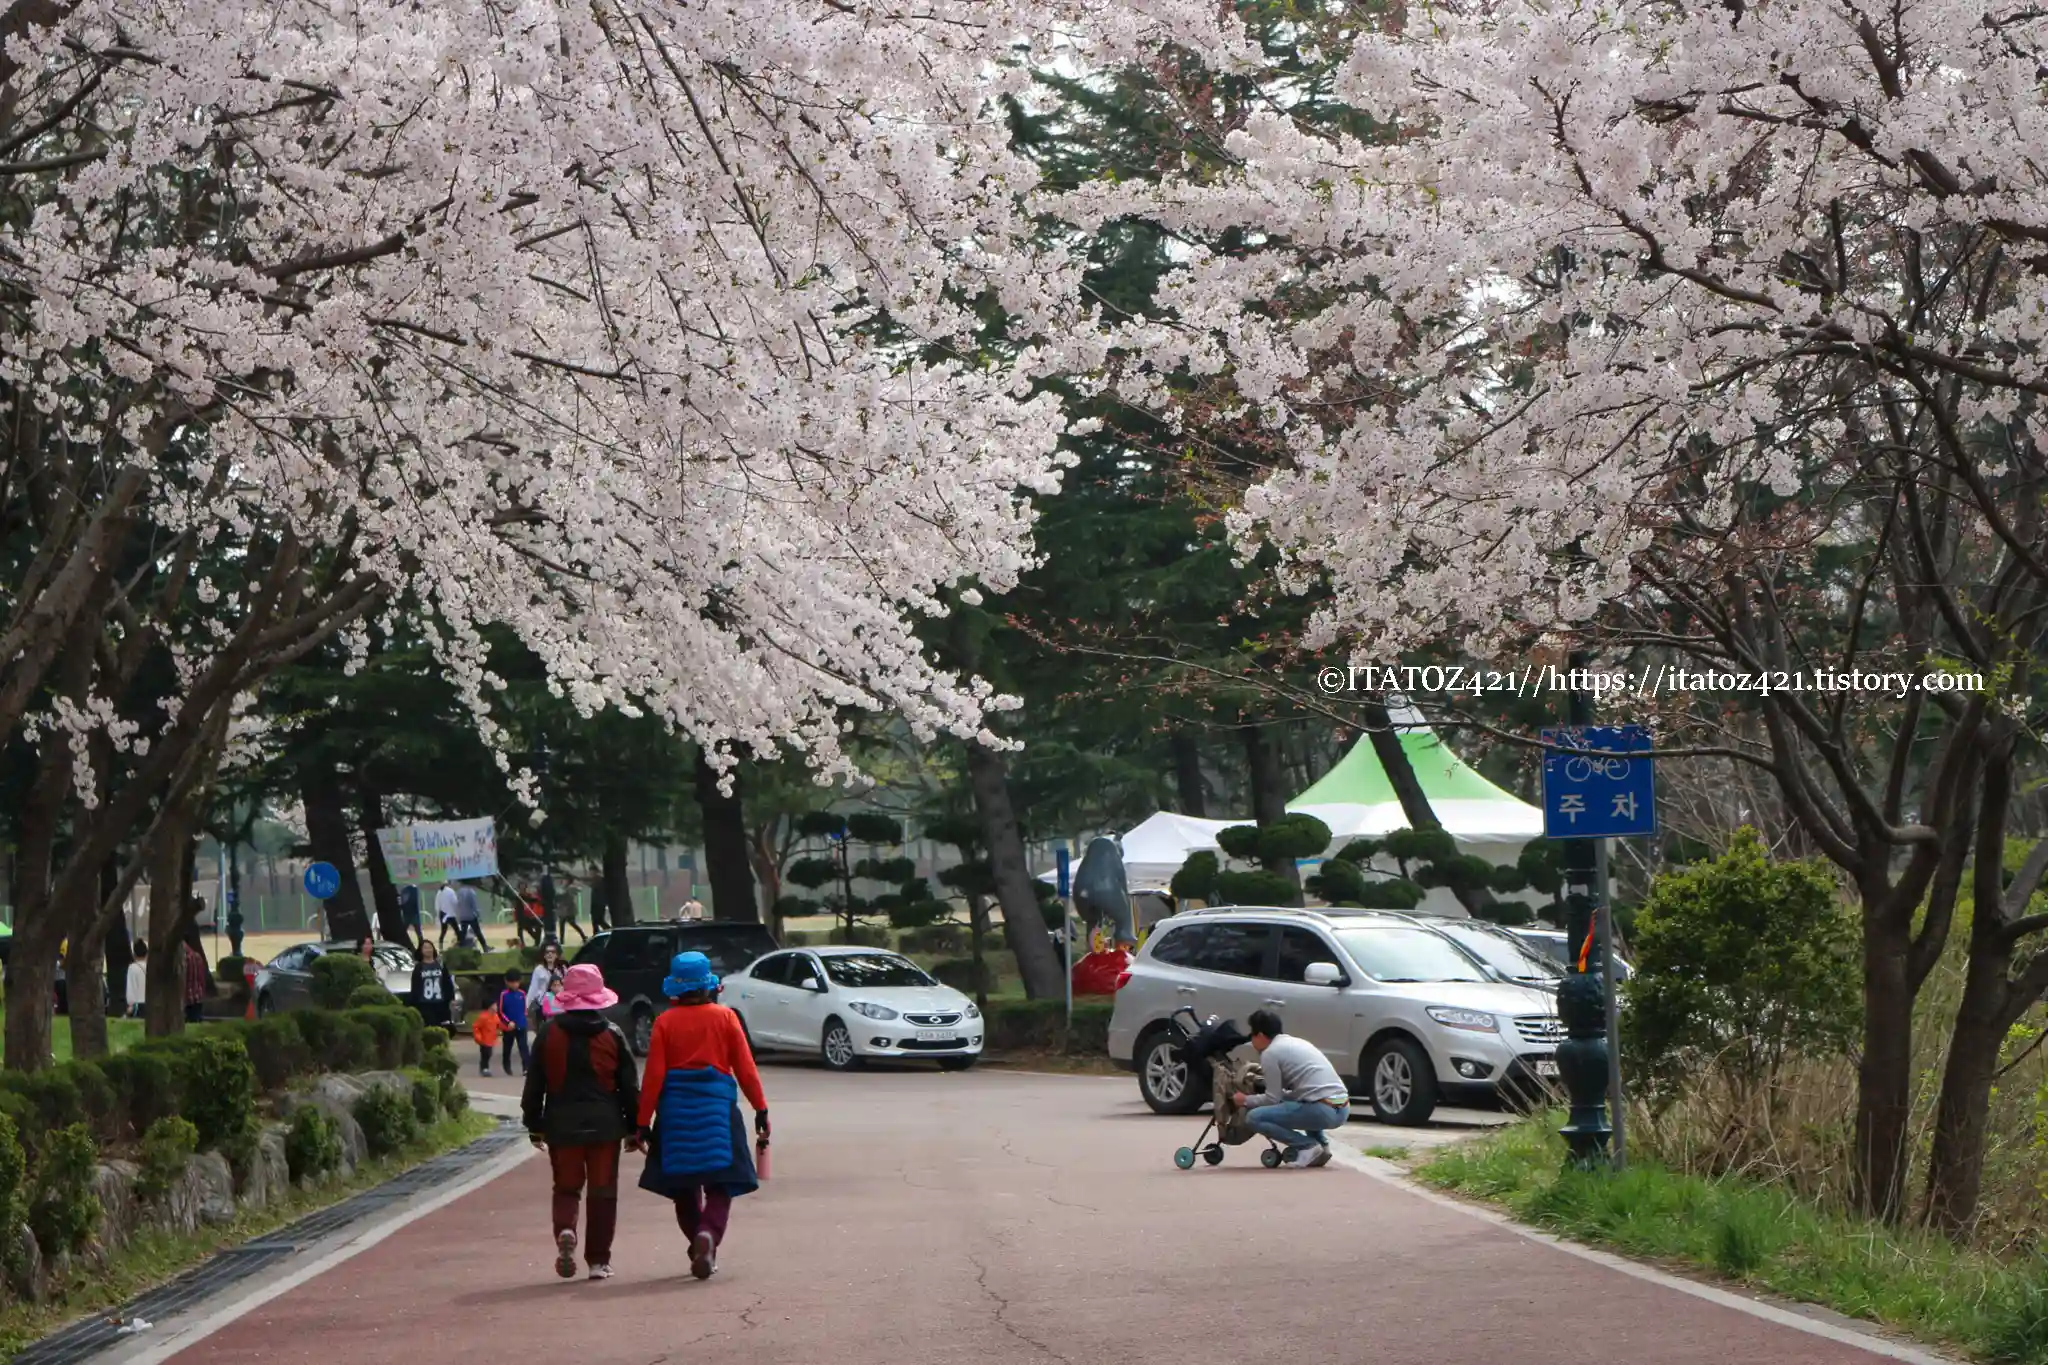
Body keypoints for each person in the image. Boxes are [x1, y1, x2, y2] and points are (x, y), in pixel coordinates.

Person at [636, 951, 766, 1281]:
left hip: (675, 1113)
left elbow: (653, 1077)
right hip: (719, 1111)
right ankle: (709, 1234)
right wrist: (761, 1109)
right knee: (722, 1185)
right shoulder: (725, 1018)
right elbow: (746, 1069)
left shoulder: (665, 1021)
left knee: (683, 1187)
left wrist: (642, 1123)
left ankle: (697, 1239)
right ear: (709, 985)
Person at [522, 964, 640, 1281]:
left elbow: (534, 1085)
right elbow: (629, 1086)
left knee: (566, 1188)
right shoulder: (612, 1034)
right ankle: (598, 1261)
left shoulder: (548, 1034)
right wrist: (636, 1128)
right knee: (603, 1192)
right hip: (606, 1125)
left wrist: (534, 1124)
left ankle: (566, 1230)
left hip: (562, 1125)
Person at [1234, 1010, 1350, 1169]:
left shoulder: (1270, 1053)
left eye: (1252, 1035)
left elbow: (1272, 1099)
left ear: (1260, 1035)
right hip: (1342, 1107)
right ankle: (1322, 1147)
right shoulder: (1298, 1042)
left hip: (1323, 1110)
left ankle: (1306, 1146)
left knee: (1254, 1118)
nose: (1251, 1041)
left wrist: (1245, 1100)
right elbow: (1302, 1091)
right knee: (1302, 1100)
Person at [410, 941, 458, 1030]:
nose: (428, 950)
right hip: (425, 1003)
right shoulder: (419, 967)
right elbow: (415, 986)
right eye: (425, 948)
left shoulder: (440, 965)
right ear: (421, 951)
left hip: (441, 1002)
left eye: (430, 947)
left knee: (443, 1028)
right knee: (429, 1028)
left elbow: (447, 983)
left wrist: (451, 998)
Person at [497, 968, 532, 1075]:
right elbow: (501, 1011)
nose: (514, 984)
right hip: (509, 1026)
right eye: (512, 982)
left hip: (521, 1024)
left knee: (523, 1047)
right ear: (507, 982)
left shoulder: (522, 993)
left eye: (516, 982)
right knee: (507, 1047)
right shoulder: (504, 995)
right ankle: (506, 1065)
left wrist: (524, 1018)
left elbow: (525, 1009)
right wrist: (508, 1022)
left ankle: (526, 1067)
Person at [528, 939, 567, 1023]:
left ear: (556, 954)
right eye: (547, 952)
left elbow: (567, 986)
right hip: (543, 1005)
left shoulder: (562, 969)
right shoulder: (538, 970)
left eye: (552, 952)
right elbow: (533, 988)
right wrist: (527, 1006)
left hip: (559, 1006)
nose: (550, 954)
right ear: (544, 955)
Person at [181, 929, 212, 1024]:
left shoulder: (184, 958)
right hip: (198, 996)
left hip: (187, 998)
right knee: (196, 1022)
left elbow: (184, 980)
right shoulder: (198, 956)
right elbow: (202, 978)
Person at [472, 991, 504, 1075]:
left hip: (491, 1040)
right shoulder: (483, 1017)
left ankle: (485, 1068)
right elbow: (476, 1027)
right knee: (485, 1055)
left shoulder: (495, 1016)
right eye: (495, 1005)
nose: (496, 1007)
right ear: (490, 1007)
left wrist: (505, 1028)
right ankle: (484, 1068)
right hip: (483, 1040)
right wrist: (478, 1037)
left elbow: (499, 1024)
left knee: (489, 1054)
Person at [456, 880, 489, 950]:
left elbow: (458, 903)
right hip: (471, 916)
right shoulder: (471, 892)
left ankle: (461, 947)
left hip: (462, 916)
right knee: (477, 932)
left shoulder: (459, 892)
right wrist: (478, 914)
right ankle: (485, 947)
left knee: (463, 933)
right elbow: (474, 905)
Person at [125, 941, 148, 1019]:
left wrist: (130, 1005)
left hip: (138, 1006)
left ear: (134, 954)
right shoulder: (150, 967)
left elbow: (131, 988)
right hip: (151, 1004)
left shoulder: (132, 968)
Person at [436, 880, 460, 949]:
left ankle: (440, 947)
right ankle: (460, 945)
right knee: (457, 931)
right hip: (450, 914)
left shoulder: (439, 892)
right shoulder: (451, 891)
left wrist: (438, 914)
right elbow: (455, 902)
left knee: (443, 931)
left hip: (442, 914)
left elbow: (437, 905)